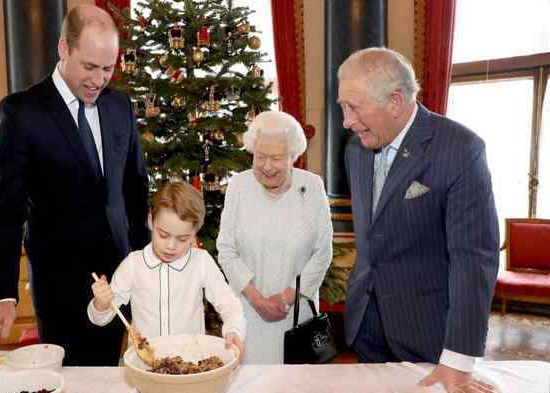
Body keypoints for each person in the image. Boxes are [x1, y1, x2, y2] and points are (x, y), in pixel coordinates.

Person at [0, 5, 150, 366]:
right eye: (89, 67)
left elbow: (136, 193)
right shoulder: (22, 113)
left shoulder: (120, 107)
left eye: (107, 69)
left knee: (111, 377)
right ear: (63, 49)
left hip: (119, 279)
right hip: (61, 289)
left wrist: (146, 264)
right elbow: (5, 212)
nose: (98, 79)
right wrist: (4, 294)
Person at [339, 47, 499, 392]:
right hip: (366, 321)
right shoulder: (356, 149)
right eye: (342, 107)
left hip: (427, 332)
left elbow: (474, 260)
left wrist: (458, 359)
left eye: (354, 108)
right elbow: (374, 236)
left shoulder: (460, 149)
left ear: (395, 101)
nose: (346, 122)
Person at [216, 111, 333, 364]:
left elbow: (322, 251)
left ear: (293, 156)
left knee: (297, 384)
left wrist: (285, 297)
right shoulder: (238, 186)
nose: (267, 166)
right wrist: (257, 300)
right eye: (260, 157)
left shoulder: (312, 187)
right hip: (247, 311)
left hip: (296, 315)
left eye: (276, 158)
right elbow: (226, 249)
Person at [89, 181, 246, 358]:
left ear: (195, 231)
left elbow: (229, 303)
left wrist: (234, 330)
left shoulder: (201, 262)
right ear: (150, 221)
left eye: (182, 238)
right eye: (163, 235)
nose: (171, 246)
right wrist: (101, 304)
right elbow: (101, 319)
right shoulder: (133, 265)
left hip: (190, 363)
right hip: (144, 365)